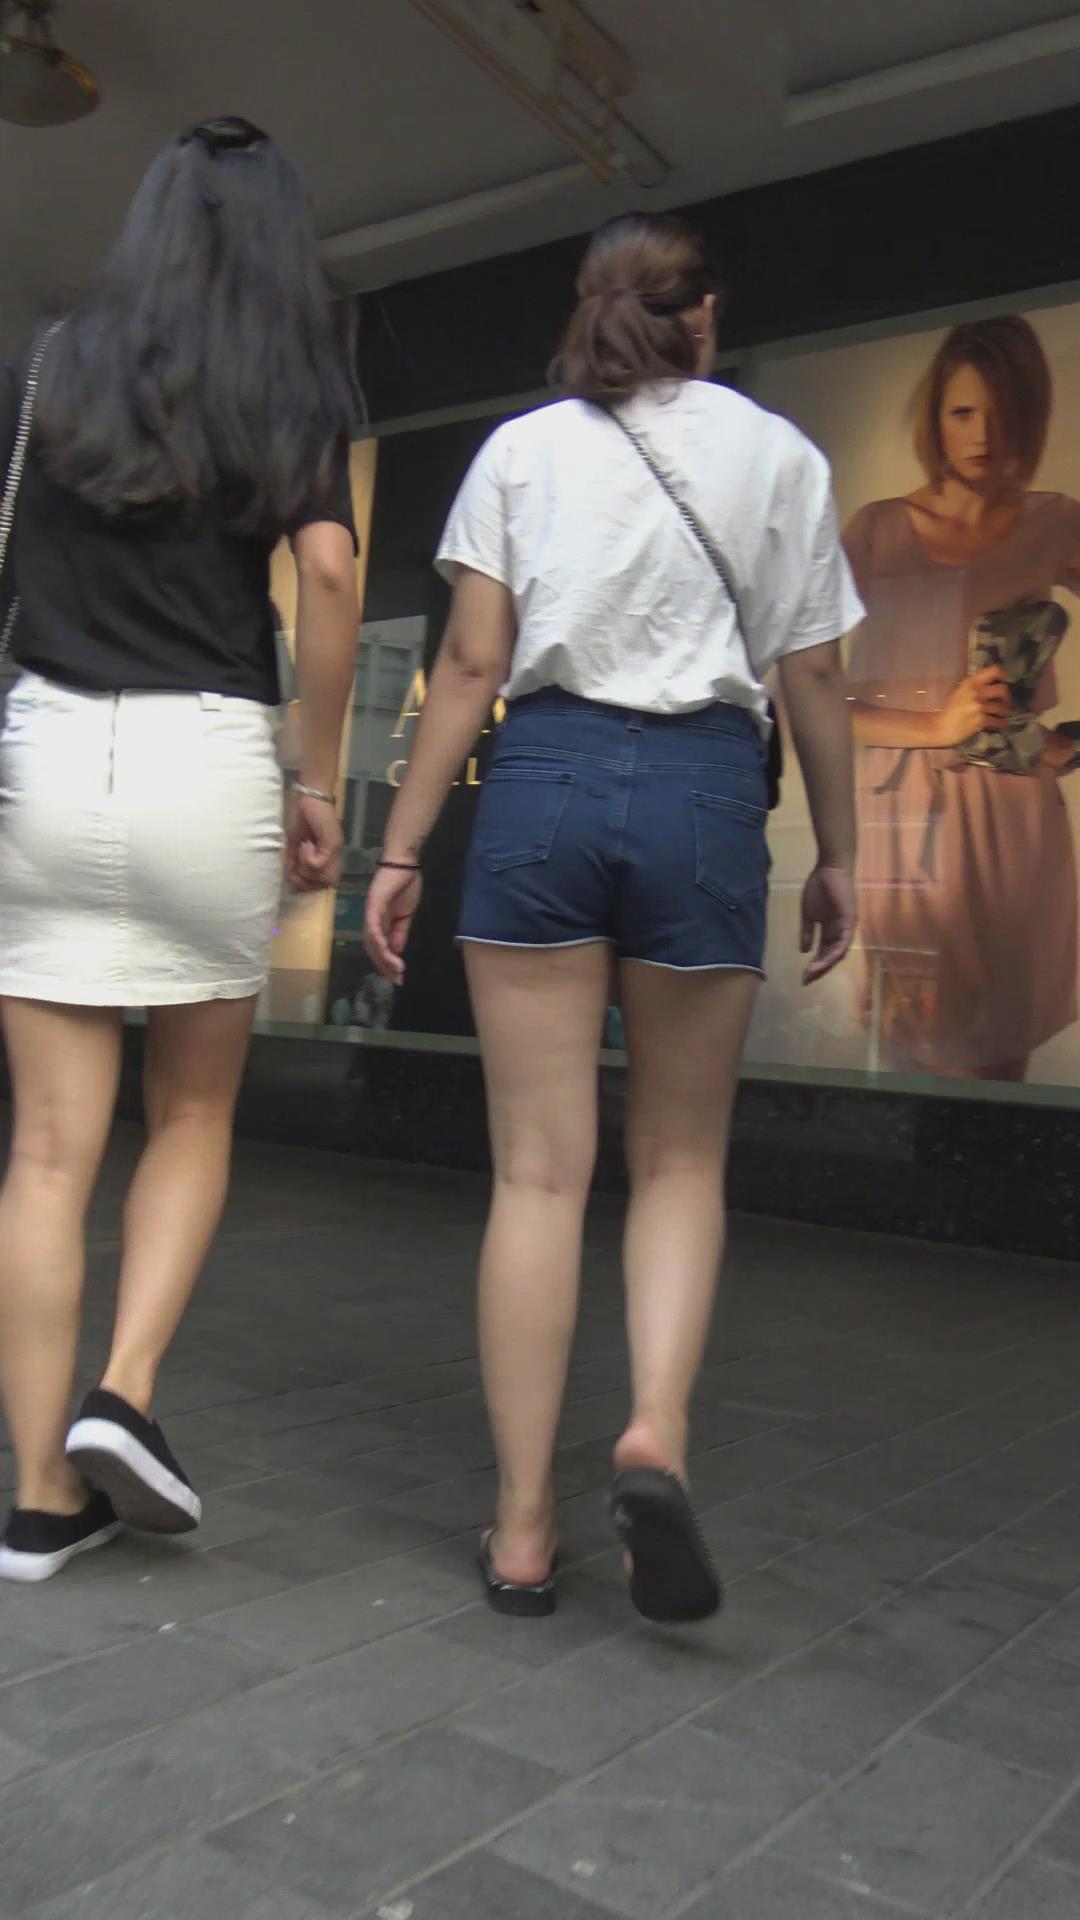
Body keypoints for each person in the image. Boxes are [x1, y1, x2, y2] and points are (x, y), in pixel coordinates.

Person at [365, 212, 861, 1625]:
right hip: (708, 791)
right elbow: (813, 679)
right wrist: (840, 851)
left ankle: (525, 1529)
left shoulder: (521, 450)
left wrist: (402, 846)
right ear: (704, 317)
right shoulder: (780, 455)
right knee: (680, 1161)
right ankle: (654, 1432)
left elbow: (473, 662)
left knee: (537, 1175)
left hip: (546, 780)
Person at [0, 117, 361, 1581]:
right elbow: (330, 572)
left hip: (45, 749)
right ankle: (125, 1390)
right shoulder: (293, 380)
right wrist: (318, 772)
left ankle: (38, 1502)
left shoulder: (43, 368)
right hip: (208, 759)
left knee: (45, 1150)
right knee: (193, 1109)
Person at [844, 317, 1080, 1079]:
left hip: (1010, 807)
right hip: (901, 808)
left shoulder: (1054, 522)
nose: (981, 435)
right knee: (909, 1041)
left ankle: (995, 1158)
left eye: (1001, 412)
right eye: (962, 412)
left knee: (999, 1047)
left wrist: (1071, 742)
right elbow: (804, 693)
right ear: (935, 416)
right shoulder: (879, 532)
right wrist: (937, 724)